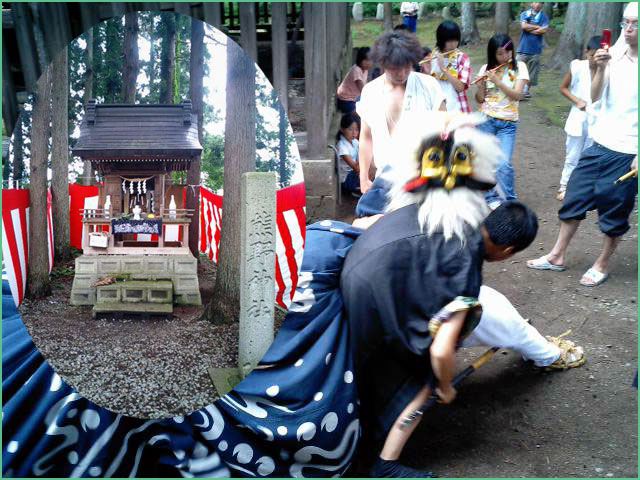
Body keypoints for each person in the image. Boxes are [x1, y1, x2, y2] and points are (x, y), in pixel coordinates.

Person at [527, 3, 638, 287]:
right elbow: (596, 95)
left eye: (635, 24)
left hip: (628, 151)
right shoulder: (613, 52)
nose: (627, 29)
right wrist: (598, 68)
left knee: (614, 209)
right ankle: (556, 255)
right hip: (599, 142)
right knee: (574, 195)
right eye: (625, 22)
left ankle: (602, 263)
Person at [357, 31, 446, 194]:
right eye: (395, 69)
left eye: (406, 67)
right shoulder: (370, 92)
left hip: (425, 178)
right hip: (385, 179)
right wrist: (363, 178)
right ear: (383, 63)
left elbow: (445, 129)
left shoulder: (429, 86)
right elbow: (366, 136)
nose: (401, 73)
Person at [475, 33, 529, 208]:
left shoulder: (520, 67)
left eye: (508, 52)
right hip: (486, 120)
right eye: (500, 53)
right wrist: (481, 86)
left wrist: (497, 82)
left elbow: (517, 96)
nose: (505, 56)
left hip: (508, 123)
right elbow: (480, 99)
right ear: (493, 54)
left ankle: (509, 201)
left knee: (503, 164)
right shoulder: (486, 69)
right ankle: (491, 198)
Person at [556, 36, 601, 201]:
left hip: (596, 120)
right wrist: (577, 101)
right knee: (573, 155)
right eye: (591, 55)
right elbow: (563, 88)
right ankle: (565, 186)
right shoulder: (577, 67)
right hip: (578, 117)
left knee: (590, 155)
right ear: (586, 52)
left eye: (597, 56)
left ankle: (585, 188)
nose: (594, 60)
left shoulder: (607, 70)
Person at [429, 20, 473, 113]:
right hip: (436, 105)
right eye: (449, 41)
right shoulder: (432, 56)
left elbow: (460, 87)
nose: (453, 44)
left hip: (457, 108)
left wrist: (444, 69)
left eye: (456, 40)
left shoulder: (462, 58)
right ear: (441, 39)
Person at [516, 2, 549, 99]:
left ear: (542, 4)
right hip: (523, 48)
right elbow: (523, 26)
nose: (538, 4)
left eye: (540, 2)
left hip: (536, 50)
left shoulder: (544, 17)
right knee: (516, 69)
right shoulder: (525, 14)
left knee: (532, 72)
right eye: (535, 2)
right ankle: (515, 89)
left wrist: (530, 28)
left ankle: (526, 90)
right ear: (531, 3)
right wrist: (537, 27)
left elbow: (543, 30)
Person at [337, 47, 372, 113]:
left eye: (370, 60)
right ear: (360, 59)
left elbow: (365, 85)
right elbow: (363, 90)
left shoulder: (365, 70)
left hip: (354, 98)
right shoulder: (356, 70)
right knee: (361, 114)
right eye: (366, 60)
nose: (368, 63)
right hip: (344, 100)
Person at [336, 112, 361, 196]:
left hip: (355, 172)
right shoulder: (342, 146)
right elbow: (355, 167)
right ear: (342, 129)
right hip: (347, 179)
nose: (354, 133)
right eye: (350, 129)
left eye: (356, 130)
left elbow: (359, 160)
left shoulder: (355, 142)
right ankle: (355, 189)